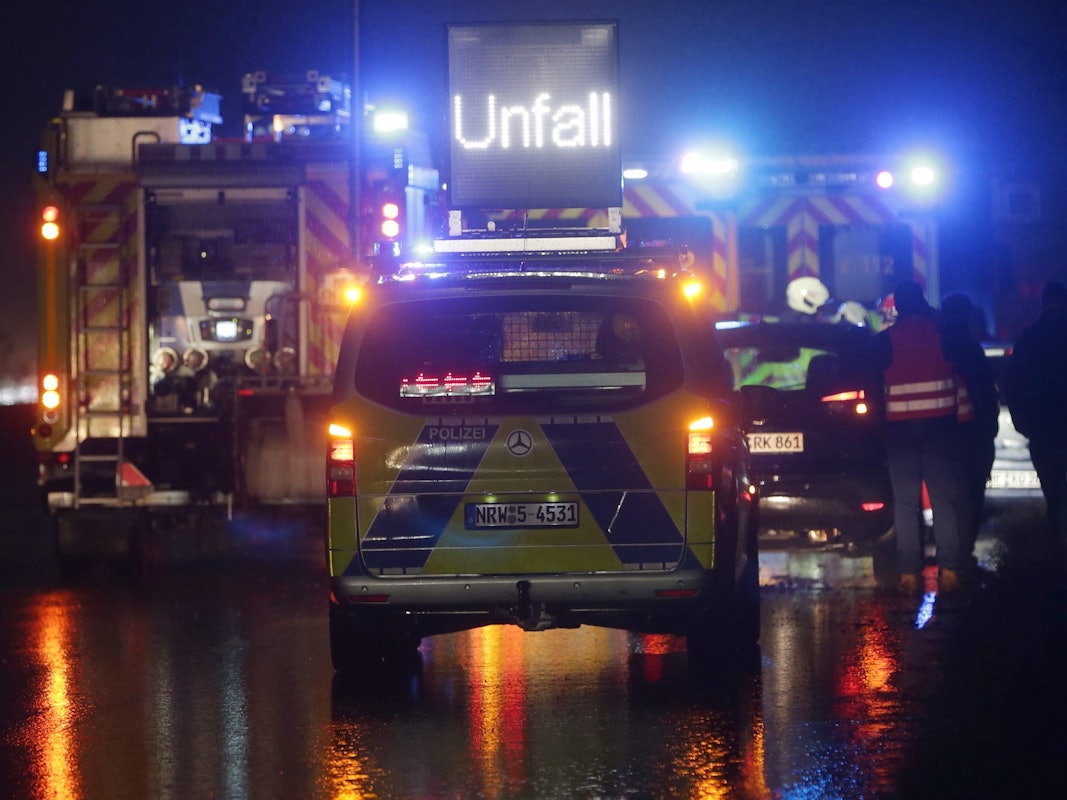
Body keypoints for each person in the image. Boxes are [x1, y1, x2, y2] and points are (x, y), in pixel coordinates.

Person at [871, 280, 963, 594]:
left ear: (899, 308)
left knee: (906, 505)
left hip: (900, 433)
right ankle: (949, 572)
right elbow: (960, 376)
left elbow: (872, 385)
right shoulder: (944, 334)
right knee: (944, 503)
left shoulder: (885, 342)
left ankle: (909, 575)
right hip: (941, 430)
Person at [940, 292, 999, 574]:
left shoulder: (938, 348)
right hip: (972, 436)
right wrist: (989, 432)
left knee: (948, 499)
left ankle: (952, 555)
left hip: (941, 436)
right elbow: (985, 396)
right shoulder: (972, 351)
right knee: (970, 497)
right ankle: (962, 555)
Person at [1004, 281, 1067, 542]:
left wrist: (1025, 425)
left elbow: (1013, 385)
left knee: (1055, 496)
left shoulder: (1028, 339)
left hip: (1044, 433)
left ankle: (1061, 550)